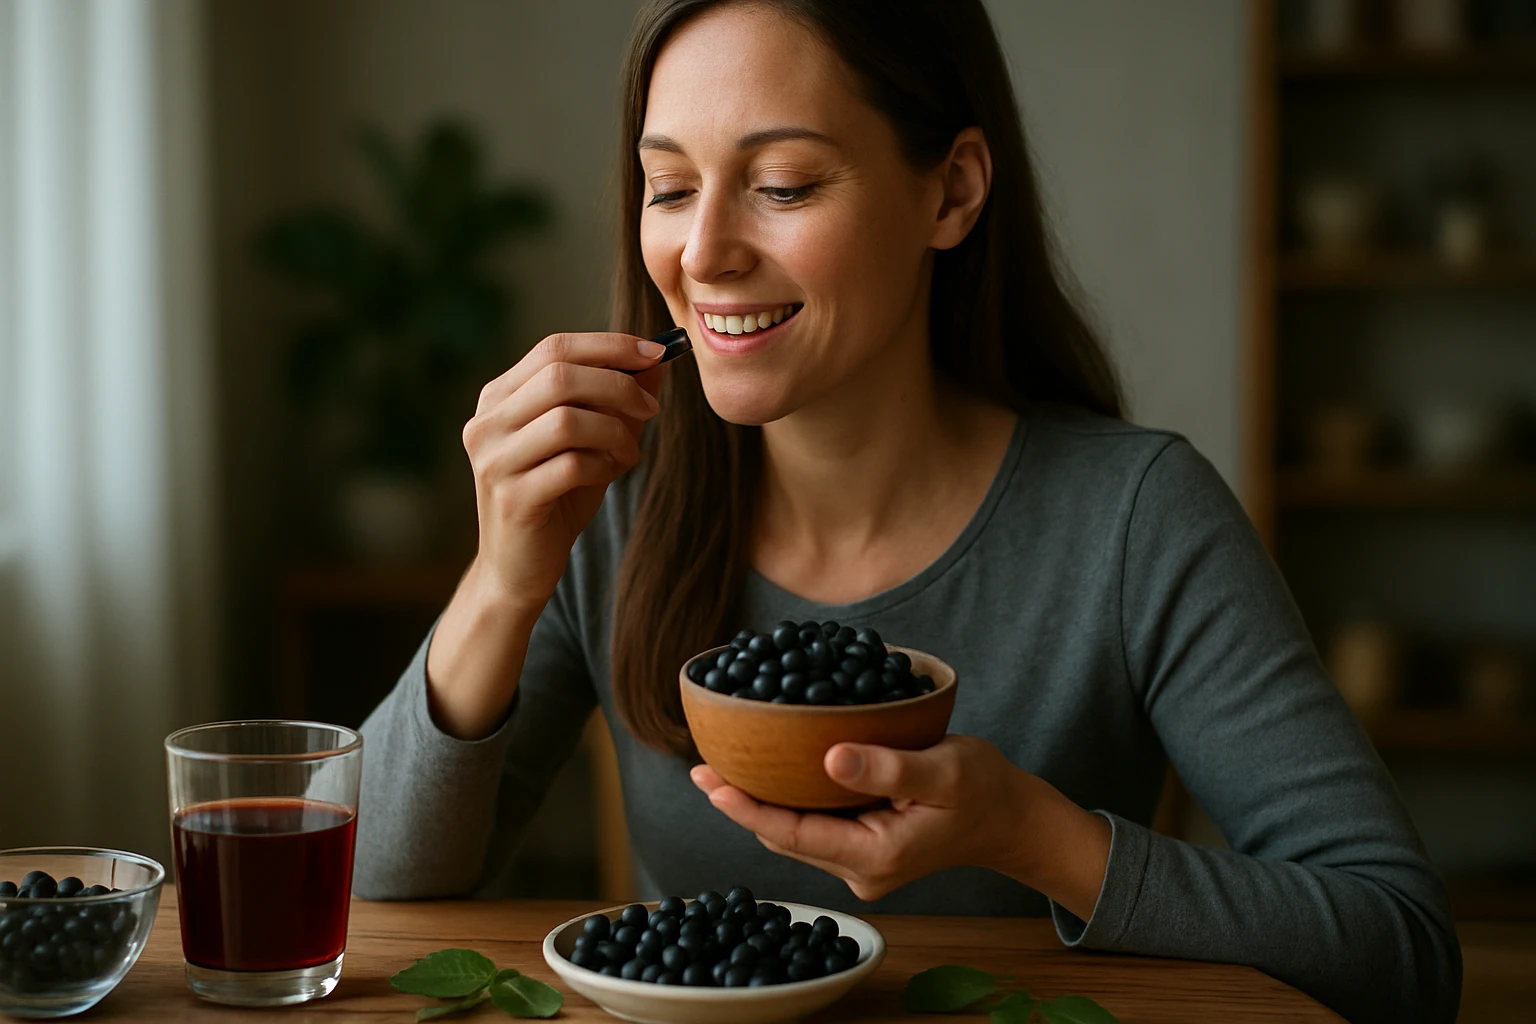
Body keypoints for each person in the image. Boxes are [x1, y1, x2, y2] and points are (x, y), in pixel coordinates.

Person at [353, 2, 1460, 1021]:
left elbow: (1402, 952)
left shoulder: (1137, 517)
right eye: (671, 187)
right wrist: (502, 580)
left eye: (784, 184)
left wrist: (1035, 836)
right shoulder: (614, 505)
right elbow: (366, 889)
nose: (702, 253)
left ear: (953, 192)